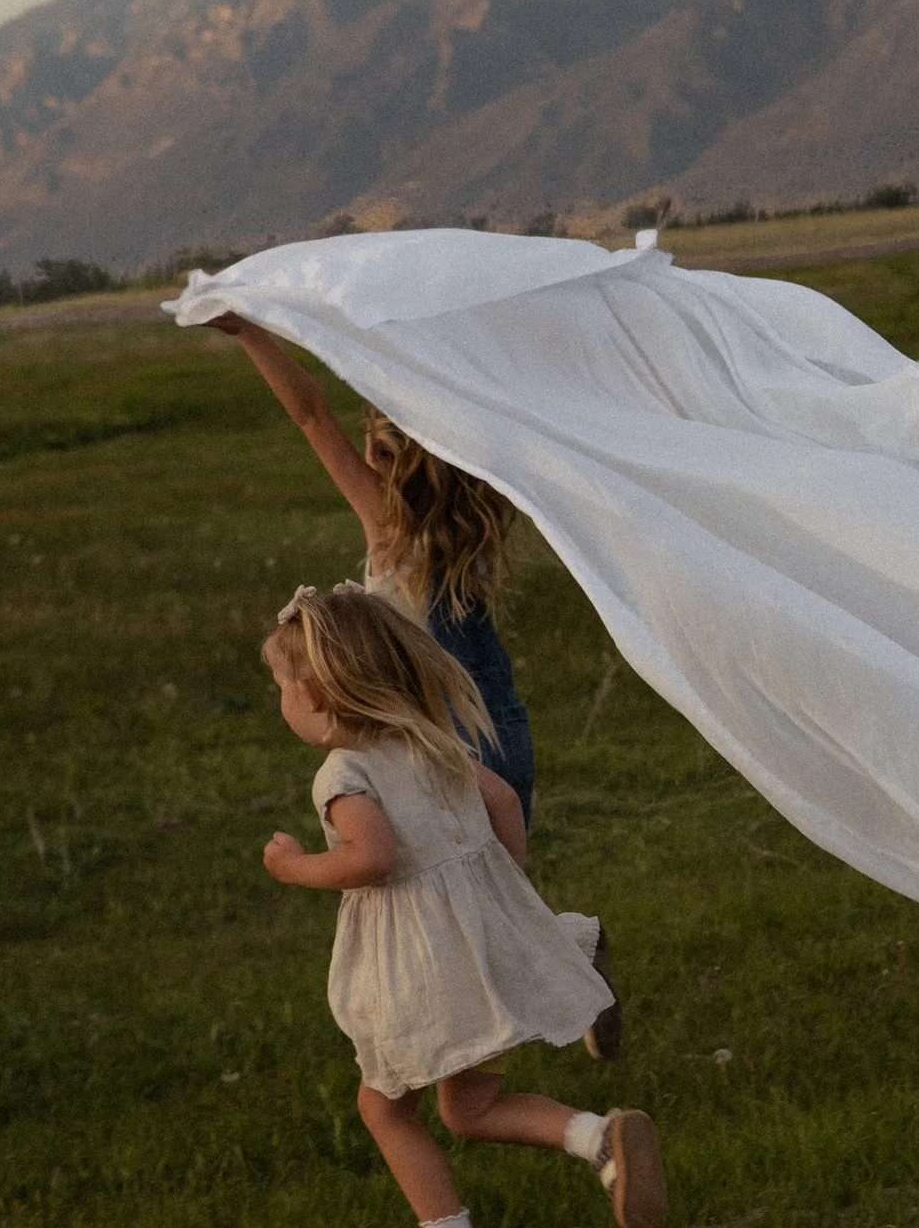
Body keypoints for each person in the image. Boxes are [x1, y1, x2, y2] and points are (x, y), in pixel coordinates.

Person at [208, 310, 624, 1058]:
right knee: (486, 892)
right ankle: (566, 956)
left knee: (452, 901)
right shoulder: (478, 526)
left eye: (373, 439)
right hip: (503, 729)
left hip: (442, 742)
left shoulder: (390, 534)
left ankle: (523, 995)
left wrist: (251, 334)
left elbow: (309, 414)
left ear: (387, 460)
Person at [257, 583, 663, 1228]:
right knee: (471, 1110)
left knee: (383, 1108)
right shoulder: (430, 743)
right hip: (478, 950)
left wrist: (295, 868)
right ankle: (599, 1139)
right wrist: (501, 896)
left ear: (314, 697)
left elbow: (372, 858)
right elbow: (504, 801)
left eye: (281, 688)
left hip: (423, 972)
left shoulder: (343, 773)